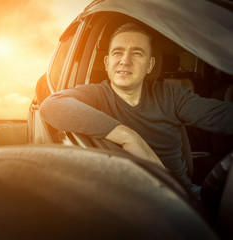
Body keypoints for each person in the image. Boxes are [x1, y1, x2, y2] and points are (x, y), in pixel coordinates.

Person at [40, 23, 233, 198]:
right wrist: (128, 136)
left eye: (137, 53)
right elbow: (51, 105)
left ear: (149, 66)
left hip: (183, 194)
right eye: (118, 52)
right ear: (107, 63)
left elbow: (222, 116)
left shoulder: (172, 95)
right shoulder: (97, 94)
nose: (125, 60)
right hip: (129, 198)